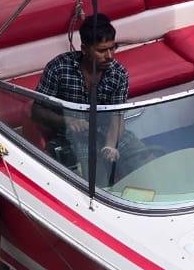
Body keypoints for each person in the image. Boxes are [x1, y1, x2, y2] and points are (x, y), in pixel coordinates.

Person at [31, 14, 141, 179]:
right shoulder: (59, 68)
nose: (110, 56)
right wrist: (68, 121)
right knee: (95, 177)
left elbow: (117, 116)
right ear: (84, 49)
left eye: (113, 48)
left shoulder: (119, 74)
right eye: (102, 50)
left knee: (144, 160)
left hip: (106, 132)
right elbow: (37, 111)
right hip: (71, 138)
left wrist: (111, 145)